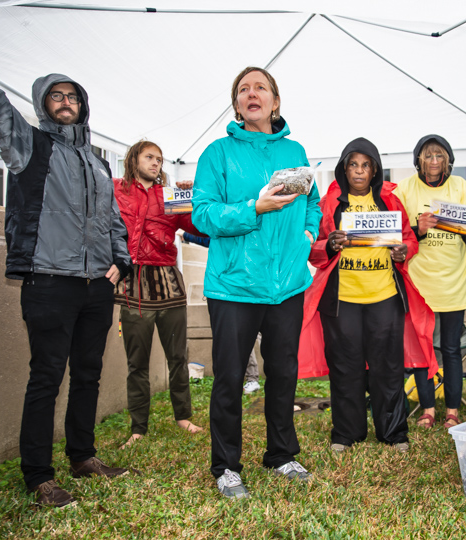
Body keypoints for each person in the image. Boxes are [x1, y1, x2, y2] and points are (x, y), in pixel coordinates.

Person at [0, 11, 134, 508]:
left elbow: (114, 219)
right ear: (41, 103)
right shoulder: (27, 145)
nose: (66, 103)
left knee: (90, 374)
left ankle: (83, 456)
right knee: (46, 377)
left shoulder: (99, 162)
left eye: (73, 96)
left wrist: (120, 261)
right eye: (56, 96)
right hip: (48, 282)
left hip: (97, 287)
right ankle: (38, 476)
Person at [191, 66, 321, 499]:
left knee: (283, 373)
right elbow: (203, 214)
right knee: (229, 377)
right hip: (233, 286)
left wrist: (306, 235)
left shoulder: (296, 149)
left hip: (287, 284)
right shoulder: (218, 153)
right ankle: (226, 467)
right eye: (243, 89)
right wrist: (254, 207)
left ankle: (281, 454)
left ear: (275, 101)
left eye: (260, 88)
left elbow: (313, 204)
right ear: (237, 104)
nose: (252, 94)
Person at [297, 137, 437, 452]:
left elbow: (408, 239)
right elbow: (313, 249)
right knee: (345, 369)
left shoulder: (390, 201)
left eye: (365, 165)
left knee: (388, 369)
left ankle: (394, 434)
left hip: (385, 297)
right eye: (353, 165)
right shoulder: (328, 204)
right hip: (342, 300)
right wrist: (328, 245)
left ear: (374, 170)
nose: (359, 172)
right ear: (343, 169)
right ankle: (346, 434)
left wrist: (405, 250)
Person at [112, 141, 206, 449]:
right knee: (136, 362)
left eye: (159, 159)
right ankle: (138, 428)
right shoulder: (116, 190)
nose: (156, 163)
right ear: (134, 158)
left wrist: (195, 195)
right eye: (149, 157)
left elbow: (201, 228)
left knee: (178, 357)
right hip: (133, 284)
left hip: (168, 283)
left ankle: (183, 417)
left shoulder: (170, 196)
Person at [394, 135, 466, 429]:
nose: (434, 161)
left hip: (454, 279)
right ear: (418, 159)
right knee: (423, 349)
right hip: (419, 281)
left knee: (450, 348)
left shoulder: (460, 186)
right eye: (428, 156)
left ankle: (452, 412)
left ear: (448, 159)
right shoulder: (404, 188)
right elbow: (396, 234)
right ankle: (427, 410)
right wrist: (417, 227)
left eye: (440, 156)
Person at [180, 231, 262, 394]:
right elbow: (211, 240)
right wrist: (186, 235)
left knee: (247, 335)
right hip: (226, 288)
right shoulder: (223, 233)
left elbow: (210, 239)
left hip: (248, 287)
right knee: (234, 338)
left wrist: (186, 236)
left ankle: (252, 379)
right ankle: (243, 380)